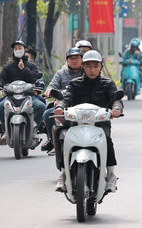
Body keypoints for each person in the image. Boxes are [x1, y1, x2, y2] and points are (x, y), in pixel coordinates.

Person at [52, 51, 123, 193]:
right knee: (64, 138)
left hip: (100, 123)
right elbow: (66, 99)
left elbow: (116, 100)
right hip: (77, 122)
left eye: (96, 66)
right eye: (88, 66)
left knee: (107, 139)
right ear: (83, 67)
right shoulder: (74, 84)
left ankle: (110, 175)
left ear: (101, 67)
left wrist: (116, 109)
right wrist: (60, 107)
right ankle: (63, 173)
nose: (92, 69)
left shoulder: (108, 84)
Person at [0, 40, 46, 145]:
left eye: (19, 48)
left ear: (24, 49)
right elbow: (1, 77)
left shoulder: (31, 66)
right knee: (0, 106)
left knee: (40, 106)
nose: (17, 50)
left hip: (28, 96)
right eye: (15, 48)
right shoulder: (9, 67)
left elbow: (34, 78)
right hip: (11, 97)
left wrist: (23, 69)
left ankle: (34, 128)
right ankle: (5, 131)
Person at [40, 47, 84, 153]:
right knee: (48, 114)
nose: (74, 60)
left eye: (77, 58)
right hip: (64, 106)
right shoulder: (60, 73)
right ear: (67, 60)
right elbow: (51, 86)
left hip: (83, 107)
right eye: (71, 58)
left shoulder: (86, 72)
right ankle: (54, 142)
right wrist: (50, 91)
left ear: (82, 59)